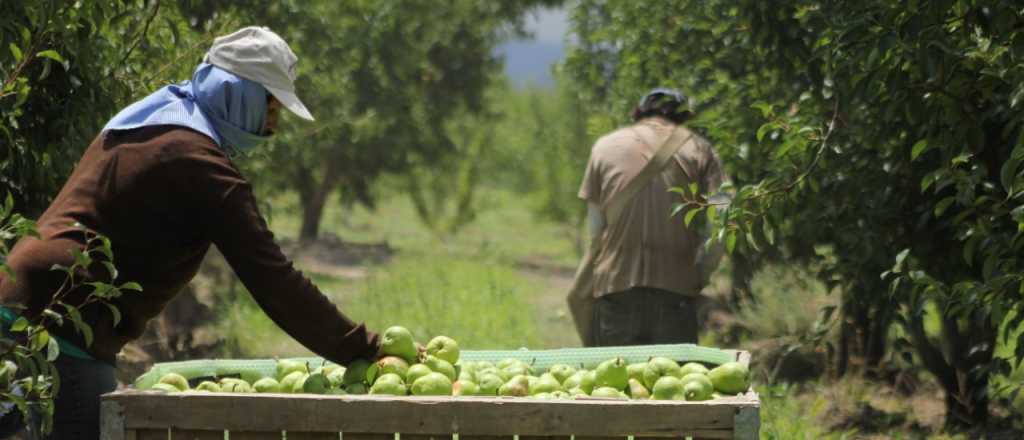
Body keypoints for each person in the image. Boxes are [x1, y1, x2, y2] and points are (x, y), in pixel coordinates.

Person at [0, 27, 380, 439]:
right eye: (270, 108)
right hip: (63, 331)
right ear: (240, 93)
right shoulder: (198, 163)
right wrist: (367, 351)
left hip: (20, 305)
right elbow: (274, 281)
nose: (272, 127)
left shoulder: (151, 119)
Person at [575, 88, 728, 347]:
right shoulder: (700, 149)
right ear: (683, 117)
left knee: (610, 384)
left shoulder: (605, 146)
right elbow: (724, 219)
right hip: (675, 294)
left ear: (640, 113)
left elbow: (595, 226)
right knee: (673, 382)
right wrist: (702, 271)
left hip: (615, 290)